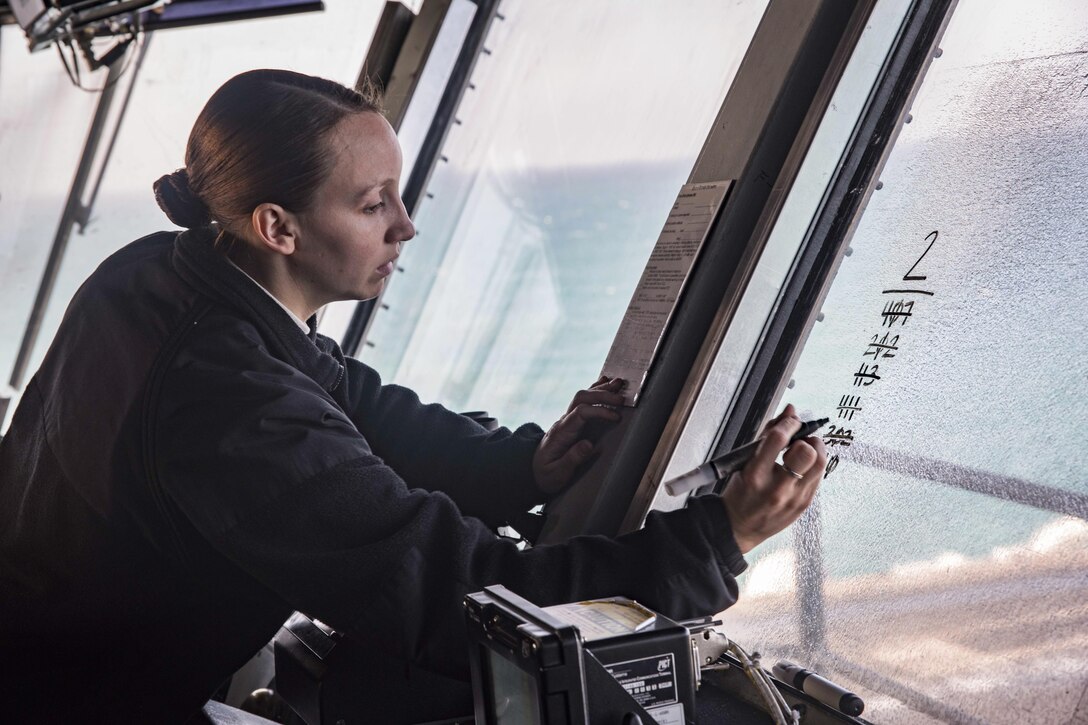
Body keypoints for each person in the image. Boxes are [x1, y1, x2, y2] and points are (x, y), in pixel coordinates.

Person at [0, 69, 826, 723]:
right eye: (372, 203)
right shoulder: (228, 403)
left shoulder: (166, 270)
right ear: (277, 227)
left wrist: (519, 465)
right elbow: (445, 595)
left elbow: (342, 398)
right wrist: (715, 541)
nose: (406, 223)